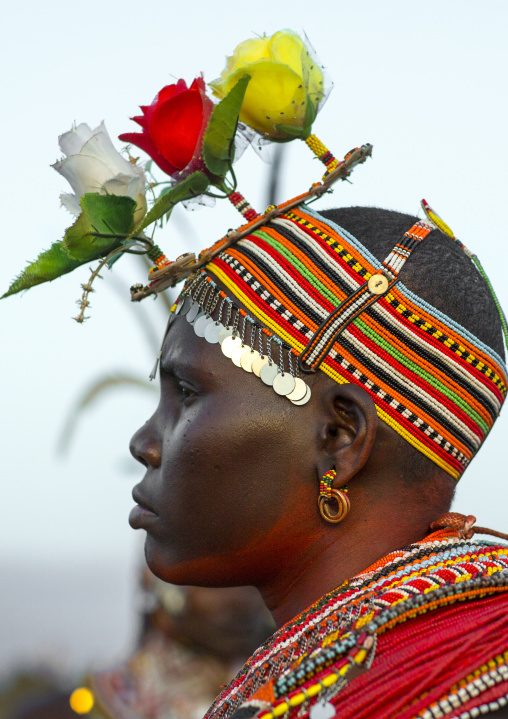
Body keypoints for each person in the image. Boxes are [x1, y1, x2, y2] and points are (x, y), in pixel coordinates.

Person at [128, 202, 508, 719]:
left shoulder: (464, 666)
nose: (144, 443)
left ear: (339, 437)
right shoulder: (309, 671)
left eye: (188, 394)